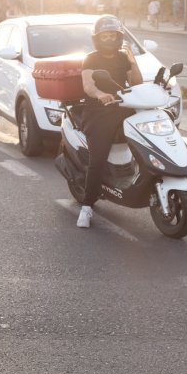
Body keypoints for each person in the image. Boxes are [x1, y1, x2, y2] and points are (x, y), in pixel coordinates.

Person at [76, 15, 142, 228]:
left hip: (123, 107)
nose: (108, 39)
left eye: (112, 35)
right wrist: (100, 94)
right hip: (98, 110)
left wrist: (133, 62)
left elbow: (136, 82)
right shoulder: (91, 59)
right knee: (98, 158)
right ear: (97, 38)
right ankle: (86, 207)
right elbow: (87, 85)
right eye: (104, 35)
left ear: (118, 36)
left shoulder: (123, 58)